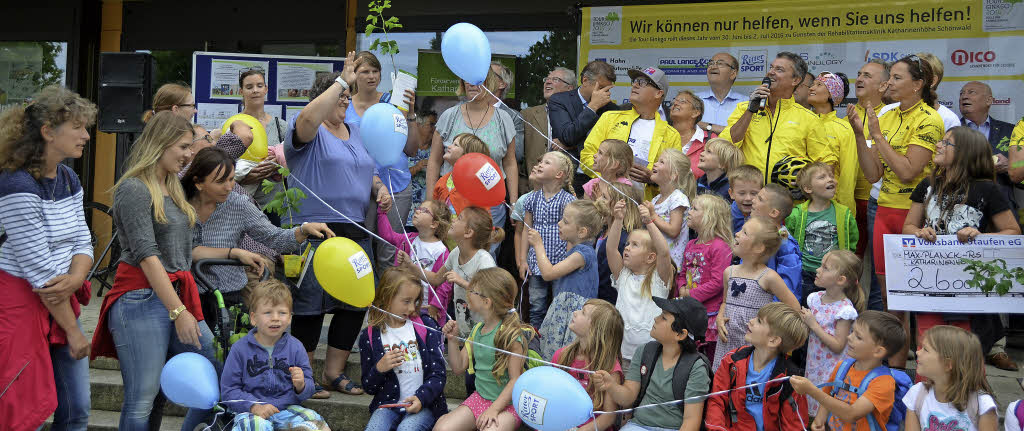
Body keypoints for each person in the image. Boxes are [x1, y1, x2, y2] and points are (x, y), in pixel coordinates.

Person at [90, 111, 239, 430]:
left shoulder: (172, 185)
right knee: (144, 398)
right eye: (183, 146)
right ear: (161, 143)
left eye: (190, 147)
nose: (188, 154)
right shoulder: (135, 188)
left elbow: (181, 253)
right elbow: (147, 256)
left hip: (175, 296)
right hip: (140, 300)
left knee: (215, 374)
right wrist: (179, 312)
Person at [285, 54, 392, 397]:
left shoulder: (358, 131)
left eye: (348, 96)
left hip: (356, 228)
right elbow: (306, 117)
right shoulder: (308, 131)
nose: (346, 101)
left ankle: (334, 372)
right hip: (315, 230)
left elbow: (365, 170)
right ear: (325, 97)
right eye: (340, 95)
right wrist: (340, 82)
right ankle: (303, 374)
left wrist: (379, 188)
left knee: (357, 299)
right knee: (310, 305)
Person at [0, 86, 96, 431]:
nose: (86, 135)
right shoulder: (16, 184)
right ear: (47, 132)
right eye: (78, 127)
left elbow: (85, 240)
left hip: (62, 297)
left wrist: (75, 279)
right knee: (26, 413)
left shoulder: (68, 177)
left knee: (78, 411)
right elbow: (40, 273)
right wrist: (74, 331)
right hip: (22, 308)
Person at [847, 54, 944, 369]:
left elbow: (907, 171)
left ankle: (924, 368)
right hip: (884, 209)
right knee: (891, 300)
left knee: (919, 300)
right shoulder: (886, 116)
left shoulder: (930, 118)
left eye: (897, 78)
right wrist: (861, 134)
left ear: (917, 85)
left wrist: (875, 135)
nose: (889, 84)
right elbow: (873, 173)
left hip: (914, 215)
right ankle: (897, 370)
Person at [902, 127, 1020, 371]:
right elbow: (908, 226)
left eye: (947, 143)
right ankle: (926, 403)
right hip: (930, 289)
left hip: (968, 293)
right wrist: (919, 232)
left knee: (962, 356)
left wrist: (979, 235)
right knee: (929, 348)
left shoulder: (987, 189)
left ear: (966, 153)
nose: (938, 145)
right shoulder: (927, 185)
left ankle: (964, 402)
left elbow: (1013, 231)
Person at [183, 146, 333, 315]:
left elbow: (274, 237)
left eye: (232, 179)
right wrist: (234, 253)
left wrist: (303, 230)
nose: (229, 187)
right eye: (220, 182)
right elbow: (185, 251)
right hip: (185, 294)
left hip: (229, 293)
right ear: (198, 183)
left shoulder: (238, 204)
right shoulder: (178, 204)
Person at [426, 66, 518, 245]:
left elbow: (510, 163)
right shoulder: (449, 116)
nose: (470, 83)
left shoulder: (504, 119)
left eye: (477, 79)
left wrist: (513, 202)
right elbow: (434, 161)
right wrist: (430, 202)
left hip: (490, 203)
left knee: (484, 257)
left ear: (490, 82)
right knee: (450, 255)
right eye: (466, 78)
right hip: (451, 200)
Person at [346, 51, 420, 271]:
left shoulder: (393, 102)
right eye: (364, 71)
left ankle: (389, 304)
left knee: (391, 254)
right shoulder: (344, 105)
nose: (371, 76)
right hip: (358, 186)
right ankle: (366, 304)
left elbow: (412, 149)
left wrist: (411, 113)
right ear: (354, 75)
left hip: (396, 184)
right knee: (361, 252)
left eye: (375, 71)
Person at [591, 296, 712, 431]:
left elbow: (691, 422)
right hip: (638, 425)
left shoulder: (696, 367)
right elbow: (629, 396)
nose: (656, 318)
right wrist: (611, 386)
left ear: (681, 334)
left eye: (664, 318)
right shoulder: (645, 351)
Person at [220, 280, 327, 431]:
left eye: (282, 313)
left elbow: (308, 389)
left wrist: (302, 385)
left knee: (315, 422)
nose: (275, 318)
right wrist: (253, 406)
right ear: (254, 318)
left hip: (287, 408)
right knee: (254, 426)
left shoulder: (296, 347)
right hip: (251, 410)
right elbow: (229, 390)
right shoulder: (240, 349)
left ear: (289, 317)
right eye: (268, 312)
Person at [435, 268, 531, 431]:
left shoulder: (510, 335)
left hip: (507, 405)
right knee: (442, 428)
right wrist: (452, 340)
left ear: (487, 302)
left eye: (472, 291)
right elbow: (458, 368)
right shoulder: (477, 330)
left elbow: (516, 380)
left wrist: (494, 409)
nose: (467, 293)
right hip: (480, 398)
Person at [720, 52, 834, 185]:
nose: (771, 73)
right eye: (771, 67)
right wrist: (750, 110)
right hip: (748, 195)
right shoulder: (744, 109)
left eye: (779, 69)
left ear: (795, 80)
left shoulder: (809, 119)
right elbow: (726, 145)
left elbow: (825, 162)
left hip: (788, 200)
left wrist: (807, 184)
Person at [790, 311, 907, 431]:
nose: (849, 337)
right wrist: (820, 420)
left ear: (878, 351)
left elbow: (851, 414)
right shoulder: (843, 366)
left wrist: (811, 390)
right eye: (852, 332)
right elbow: (829, 392)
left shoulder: (884, 383)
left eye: (858, 337)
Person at [361, 270, 448, 431]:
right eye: (406, 301)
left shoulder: (425, 326)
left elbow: (439, 374)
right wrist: (379, 369)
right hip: (387, 406)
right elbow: (368, 386)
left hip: (425, 405)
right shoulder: (369, 335)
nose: (411, 308)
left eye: (415, 301)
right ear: (386, 297)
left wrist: (421, 398)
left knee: (407, 429)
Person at [713, 216, 801, 370]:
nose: (737, 234)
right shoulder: (729, 272)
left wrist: (771, 330)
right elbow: (725, 302)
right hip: (726, 342)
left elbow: (794, 308)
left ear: (759, 248)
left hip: (752, 346)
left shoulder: (768, 277)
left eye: (745, 233)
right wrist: (720, 317)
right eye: (740, 230)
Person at [401, 207, 503, 339]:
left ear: (468, 232)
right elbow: (436, 278)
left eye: (459, 218)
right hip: (465, 329)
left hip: (485, 333)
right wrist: (410, 265)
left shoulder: (483, 260)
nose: (453, 219)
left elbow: (491, 294)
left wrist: (462, 282)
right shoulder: (455, 253)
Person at [581, 67, 682, 200]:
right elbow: (586, 156)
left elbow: (675, 177)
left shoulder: (671, 135)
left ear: (658, 93)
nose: (635, 84)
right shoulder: (609, 118)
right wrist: (611, 176)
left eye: (642, 82)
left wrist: (653, 179)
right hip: (605, 202)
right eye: (635, 81)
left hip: (647, 210)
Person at [706, 303, 809, 431]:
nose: (751, 321)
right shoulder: (732, 360)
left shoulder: (790, 379)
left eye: (759, 321)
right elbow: (717, 401)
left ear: (773, 340)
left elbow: (794, 425)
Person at [527, 199, 605, 359]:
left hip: (574, 315)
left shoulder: (583, 254)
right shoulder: (576, 248)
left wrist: (538, 245)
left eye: (566, 221)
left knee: (565, 357)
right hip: (563, 310)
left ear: (582, 232)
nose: (559, 223)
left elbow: (548, 273)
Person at [606, 199, 675, 365]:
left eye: (634, 245)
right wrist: (617, 219)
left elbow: (664, 252)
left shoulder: (659, 279)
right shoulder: (623, 276)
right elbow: (610, 249)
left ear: (651, 257)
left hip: (650, 355)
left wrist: (649, 222)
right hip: (621, 353)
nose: (627, 248)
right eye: (627, 244)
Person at [800, 250, 865, 417]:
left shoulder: (844, 310)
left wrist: (813, 325)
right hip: (814, 364)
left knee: (827, 409)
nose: (817, 270)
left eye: (825, 268)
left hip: (832, 370)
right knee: (811, 408)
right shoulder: (815, 298)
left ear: (841, 280)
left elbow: (838, 345)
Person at [784, 162, 858, 304]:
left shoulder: (844, 213)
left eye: (831, 176)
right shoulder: (797, 214)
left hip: (834, 276)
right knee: (806, 310)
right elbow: (789, 240)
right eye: (822, 177)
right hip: (805, 274)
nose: (830, 179)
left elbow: (852, 241)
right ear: (808, 188)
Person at [903, 325, 998, 431]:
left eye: (925, 349)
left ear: (948, 364)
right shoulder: (916, 395)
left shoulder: (981, 405)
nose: (917, 352)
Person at [520, 151, 576, 328]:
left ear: (559, 174)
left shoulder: (568, 201)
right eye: (541, 161)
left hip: (560, 263)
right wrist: (522, 259)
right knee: (537, 305)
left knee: (558, 303)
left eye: (547, 162)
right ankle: (536, 341)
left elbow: (571, 234)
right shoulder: (531, 198)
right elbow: (526, 230)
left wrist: (569, 258)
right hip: (536, 262)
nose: (540, 164)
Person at [548, 60, 620, 195]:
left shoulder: (612, 109)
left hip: (598, 177)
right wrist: (592, 107)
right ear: (585, 80)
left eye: (608, 89)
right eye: (601, 87)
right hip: (567, 177)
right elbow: (567, 136)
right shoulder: (559, 100)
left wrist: (573, 145)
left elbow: (612, 146)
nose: (605, 93)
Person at [377, 199, 452, 324]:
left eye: (424, 210)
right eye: (419, 208)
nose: (417, 210)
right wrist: (382, 213)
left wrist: (436, 305)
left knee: (425, 339)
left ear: (434, 224)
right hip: (403, 303)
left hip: (427, 309)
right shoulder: (409, 238)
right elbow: (388, 235)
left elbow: (445, 284)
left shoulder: (442, 251)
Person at [677, 194, 733, 360]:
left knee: (707, 358)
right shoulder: (690, 244)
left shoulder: (719, 247)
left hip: (708, 313)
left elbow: (718, 282)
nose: (689, 212)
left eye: (694, 209)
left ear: (710, 217)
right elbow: (683, 273)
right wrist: (681, 289)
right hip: (689, 310)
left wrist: (691, 295)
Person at [233, 67, 290, 216]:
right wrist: (245, 176)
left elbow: (293, 162)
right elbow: (222, 164)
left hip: (275, 206)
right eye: (249, 87)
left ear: (266, 89)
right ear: (241, 91)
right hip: (240, 204)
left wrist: (277, 163)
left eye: (259, 85)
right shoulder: (232, 125)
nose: (255, 90)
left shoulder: (281, 126)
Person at [959, 81, 1018, 220]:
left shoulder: (1011, 131)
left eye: (971, 92)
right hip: (961, 208)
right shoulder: (951, 129)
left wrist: (1010, 165)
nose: (964, 97)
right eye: (961, 93)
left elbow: (1022, 166)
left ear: (989, 100)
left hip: (1003, 208)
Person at [850, 60, 890, 264]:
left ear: (883, 86)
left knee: (878, 266)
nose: (859, 79)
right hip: (849, 202)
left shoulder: (891, 117)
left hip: (879, 201)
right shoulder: (844, 117)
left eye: (867, 75)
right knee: (851, 265)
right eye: (858, 74)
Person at [520, 67, 575, 196]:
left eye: (555, 79)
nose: (547, 82)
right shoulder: (528, 114)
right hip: (533, 189)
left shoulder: (578, 115)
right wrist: (522, 185)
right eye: (547, 79)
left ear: (569, 88)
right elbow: (518, 155)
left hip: (567, 190)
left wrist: (568, 143)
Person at [808, 72, 857, 215]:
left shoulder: (844, 128)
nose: (811, 88)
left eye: (819, 85)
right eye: (812, 84)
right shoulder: (803, 121)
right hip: (801, 204)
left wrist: (843, 211)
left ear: (831, 94)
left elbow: (848, 174)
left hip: (831, 205)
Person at [746, 184, 804, 300]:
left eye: (760, 199)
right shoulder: (755, 230)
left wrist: (773, 308)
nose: (753, 200)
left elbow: (789, 280)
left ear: (773, 213)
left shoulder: (784, 239)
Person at [646, 149, 696, 269]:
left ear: (673, 175)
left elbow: (674, 230)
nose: (655, 164)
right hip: (655, 261)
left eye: (661, 162)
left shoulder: (678, 198)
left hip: (670, 264)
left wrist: (652, 217)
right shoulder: (656, 199)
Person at [596, 183, 644, 305]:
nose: (598, 200)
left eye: (604, 198)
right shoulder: (603, 231)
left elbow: (609, 273)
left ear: (619, 206)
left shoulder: (624, 240)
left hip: (610, 300)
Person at [433, 133, 492, 217]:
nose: (449, 146)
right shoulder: (443, 180)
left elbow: (483, 219)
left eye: (455, 145)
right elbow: (435, 208)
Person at [670, 90, 713, 178]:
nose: (675, 104)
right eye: (674, 101)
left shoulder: (710, 140)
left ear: (695, 113)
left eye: (682, 101)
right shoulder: (661, 135)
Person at [699, 52, 744, 135]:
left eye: (720, 63)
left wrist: (707, 126)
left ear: (733, 73)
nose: (713, 66)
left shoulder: (746, 103)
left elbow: (742, 133)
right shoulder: (693, 100)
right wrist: (728, 131)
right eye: (711, 63)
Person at [408, 110, 438, 226]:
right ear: (418, 125)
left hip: (430, 213)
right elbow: (397, 176)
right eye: (431, 124)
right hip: (407, 211)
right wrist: (417, 167)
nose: (434, 129)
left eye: (435, 125)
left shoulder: (437, 151)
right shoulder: (406, 148)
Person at [728, 165, 764, 233]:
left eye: (753, 193)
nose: (748, 198)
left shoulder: (766, 216)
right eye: (742, 193)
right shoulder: (725, 216)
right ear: (731, 193)